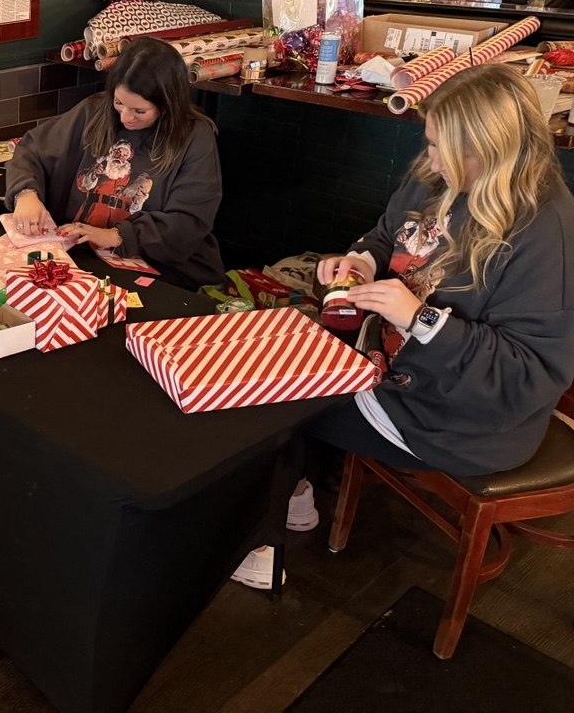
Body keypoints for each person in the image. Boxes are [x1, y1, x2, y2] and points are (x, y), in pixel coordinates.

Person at [231, 64, 574, 589]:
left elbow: (525, 378)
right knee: (267, 361)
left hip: (460, 420)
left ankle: (266, 539)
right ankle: (291, 496)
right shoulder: (439, 174)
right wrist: (362, 260)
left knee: (282, 400)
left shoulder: (545, 233)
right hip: (393, 366)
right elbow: (388, 235)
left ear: (485, 149)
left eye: (440, 147)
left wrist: (420, 319)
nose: (429, 159)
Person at [5, 37, 225, 290]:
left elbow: (189, 221)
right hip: (85, 256)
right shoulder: (94, 110)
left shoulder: (194, 136)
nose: (125, 117)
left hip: (162, 269)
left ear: (167, 105)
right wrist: (26, 194)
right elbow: (31, 150)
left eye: (139, 111)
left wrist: (116, 235)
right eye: (119, 103)